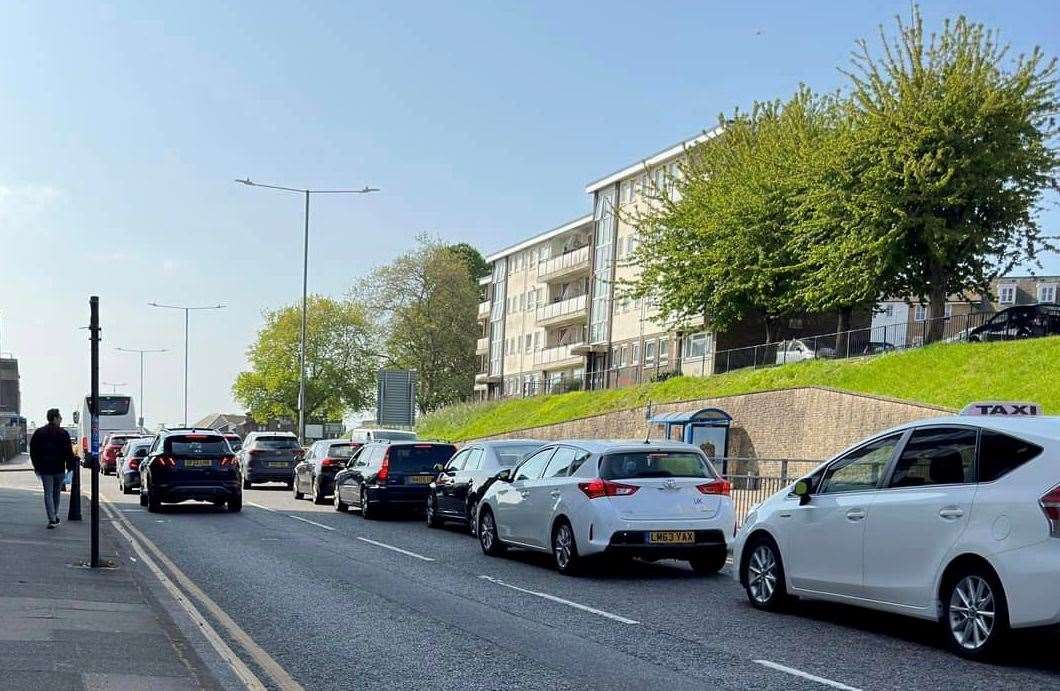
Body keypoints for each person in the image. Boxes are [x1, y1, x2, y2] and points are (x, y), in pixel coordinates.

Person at [29, 409, 77, 529]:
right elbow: (68, 452)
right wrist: (70, 466)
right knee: (56, 493)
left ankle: (52, 518)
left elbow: (33, 451)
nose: (61, 419)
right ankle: (54, 515)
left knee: (48, 493)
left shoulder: (39, 433)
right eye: (60, 417)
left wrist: (37, 466)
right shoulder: (63, 433)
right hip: (59, 468)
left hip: (45, 469)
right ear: (55, 418)